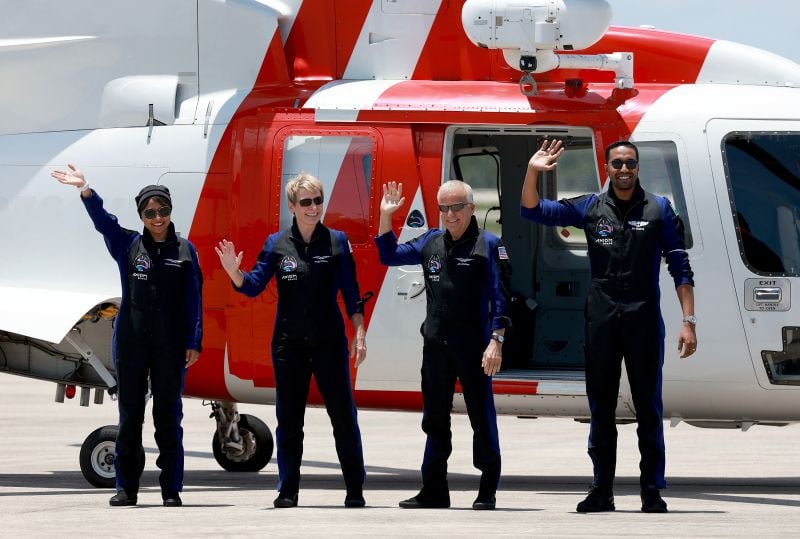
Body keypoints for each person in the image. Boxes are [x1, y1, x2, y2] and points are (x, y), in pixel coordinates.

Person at [521, 140, 697, 513]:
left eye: (630, 163)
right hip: (600, 317)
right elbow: (532, 209)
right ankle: (602, 489)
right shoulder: (589, 206)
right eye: (617, 162)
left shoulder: (659, 209)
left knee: (648, 406)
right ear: (607, 166)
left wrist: (689, 321)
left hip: (644, 316)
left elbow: (680, 268)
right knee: (600, 406)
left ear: (637, 167)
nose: (624, 168)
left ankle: (651, 489)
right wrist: (534, 170)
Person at [52, 165, 203, 508]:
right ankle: (126, 488)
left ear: (170, 212)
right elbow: (103, 222)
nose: (158, 218)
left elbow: (195, 299)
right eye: (150, 212)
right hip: (132, 345)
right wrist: (86, 190)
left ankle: (171, 489)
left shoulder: (184, 251)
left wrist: (194, 341)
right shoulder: (128, 245)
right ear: (142, 215)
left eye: (163, 211)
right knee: (130, 417)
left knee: (168, 417)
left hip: (169, 347)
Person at [215, 172, 367, 509]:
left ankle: (355, 489)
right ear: (292, 206)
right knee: (289, 420)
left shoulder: (337, 242)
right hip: (289, 345)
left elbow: (352, 295)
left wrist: (359, 333)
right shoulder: (277, 244)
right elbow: (253, 285)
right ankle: (288, 490)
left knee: (343, 417)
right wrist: (232, 271)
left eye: (318, 201)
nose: (314, 208)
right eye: (306, 202)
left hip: (329, 342)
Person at [375, 180, 511, 511]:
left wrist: (496, 340)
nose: (450, 215)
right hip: (436, 347)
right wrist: (385, 217)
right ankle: (434, 489)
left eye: (456, 208)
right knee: (435, 419)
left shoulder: (489, 245)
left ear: (471, 208)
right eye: (444, 209)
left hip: (475, 348)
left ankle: (487, 489)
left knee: (482, 417)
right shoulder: (430, 242)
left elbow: (502, 298)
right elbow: (388, 254)